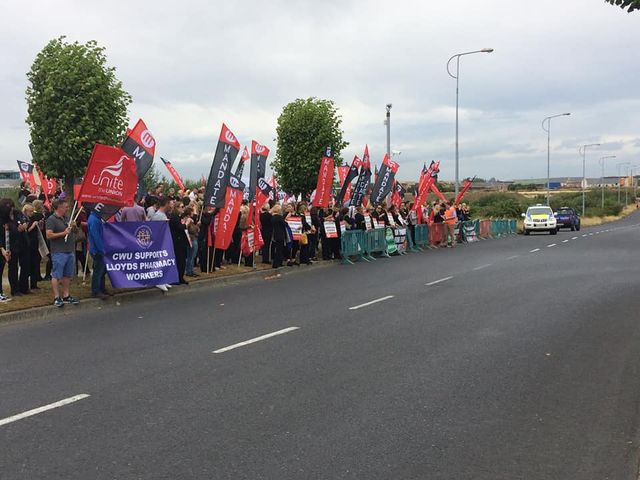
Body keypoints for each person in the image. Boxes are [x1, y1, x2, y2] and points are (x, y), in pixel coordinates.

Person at [45, 199, 79, 307]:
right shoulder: (51, 219)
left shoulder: (67, 218)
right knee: (57, 274)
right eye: (65, 207)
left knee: (67, 275)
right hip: (59, 251)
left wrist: (74, 227)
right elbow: (49, 235)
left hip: (69, 250)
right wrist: (63, 233)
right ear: (59, 207)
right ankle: (56, 297)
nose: (67, 209)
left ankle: (66, 295)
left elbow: (74, 232)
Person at [87, 208, 110, 298]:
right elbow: (96, 237)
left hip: (97, 249)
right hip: (97, 250)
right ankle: (96, 291)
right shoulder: (94, 220)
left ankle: (101, 289)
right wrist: (102, 249)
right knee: (98, 271)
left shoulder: (95, 218)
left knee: (102, 270)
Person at [169, 203, 190, 285]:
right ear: (177, 208)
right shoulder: (174, 217)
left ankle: (181, 277)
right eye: (181, 207)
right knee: (179, 261)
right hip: (177, 242)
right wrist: (186, 224)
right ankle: (176, 278)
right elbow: (180, 227)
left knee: (182, 261)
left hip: (182, 242)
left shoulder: (179, 216)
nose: (183, 208)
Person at [23, 203, 42, 290]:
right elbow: (26, 231)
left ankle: (34, 284)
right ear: (26, 211)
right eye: (30, 211)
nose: (31, 213)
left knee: (35, 263)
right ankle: (25, 284)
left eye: (32, 211)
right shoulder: (24, 219)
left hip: (35, 244)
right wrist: (33, 225)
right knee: (28, 265)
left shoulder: (33, 217)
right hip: (27, 245)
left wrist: (39, 224)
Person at [270, 204, 287, 268]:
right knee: (279, 249)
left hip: (275, 234)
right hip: (280, 234)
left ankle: (277, 263)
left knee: (277, 249)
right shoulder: (279, 217)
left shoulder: (272, 217)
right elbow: (285, 224)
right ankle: (277, 263)